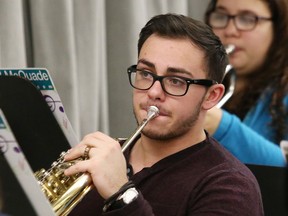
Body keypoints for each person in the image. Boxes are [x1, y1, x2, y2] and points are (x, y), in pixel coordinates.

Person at [64, 13, 263, 215]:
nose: (154, 92)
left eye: (176, 80)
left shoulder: (231, 187)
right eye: (146, 73)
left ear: (211, 96)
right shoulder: (99, 161)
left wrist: (121, 195)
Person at [204, 0, 288, 167]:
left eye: (248, 19)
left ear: (278, 28)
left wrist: (221, 126)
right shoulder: (204, 80)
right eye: (221, 16)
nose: (230, 31)